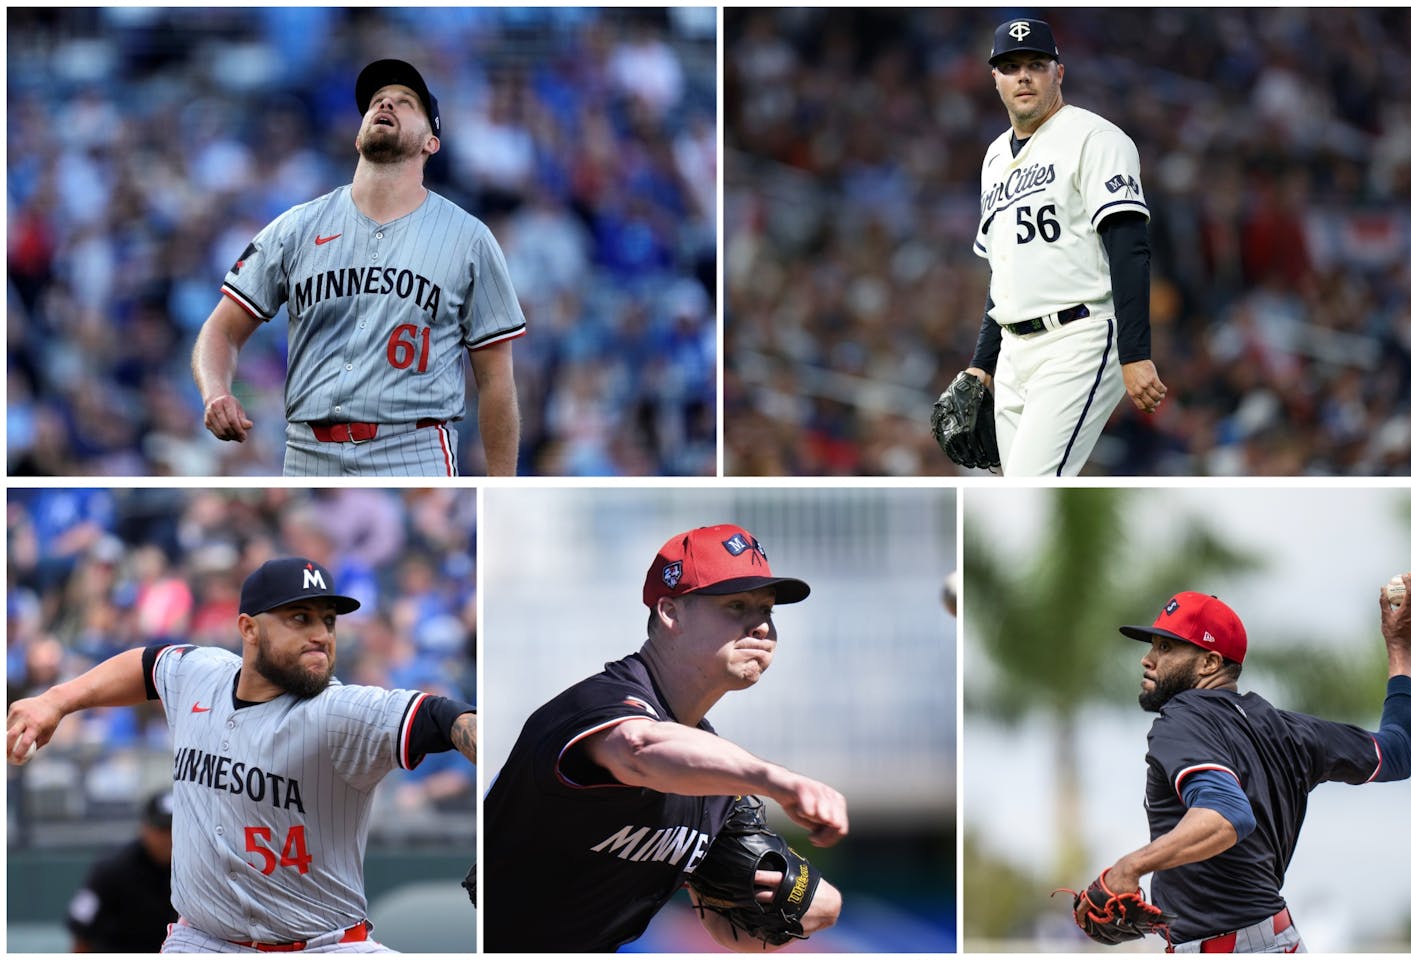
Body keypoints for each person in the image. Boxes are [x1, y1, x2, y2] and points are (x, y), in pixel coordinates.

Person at [7, 556, 478, 953]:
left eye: (328, 620)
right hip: (201, 941)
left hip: (325, 944)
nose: (321, 634)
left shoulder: (339, 712)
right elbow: (147, 665)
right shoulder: (203, 673)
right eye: (300, 618)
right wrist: (56, 700)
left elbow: (443, 717)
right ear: (248, 629)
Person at [484, 524, 847, 951]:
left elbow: (738, 930)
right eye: (736, 605)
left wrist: (805, 900)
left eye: (767, 609)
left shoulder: (713, 785)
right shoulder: (601, 702)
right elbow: (640, 749)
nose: (762, 626)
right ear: (670, 613)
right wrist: (775, 780)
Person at [192, 59, 526, 477]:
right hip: (307, 451)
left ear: (431, 142)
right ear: (358, 135)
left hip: (413, 450)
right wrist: (215, 392)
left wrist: (501, 487)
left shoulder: (469, 238)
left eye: (406, 103)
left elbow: (496, 380)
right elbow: (220, 329)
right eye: (377, 101)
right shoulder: (296, 227)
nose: (386, 103)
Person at [1081, 577, 1411, 952]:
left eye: (1166, 647)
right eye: (1153, 646)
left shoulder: (1182, 718)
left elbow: (1226, 814)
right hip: (1281, 940)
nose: (1148, 659)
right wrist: (1400, 648)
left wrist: (1128, 867)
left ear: (1210, 662)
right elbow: (1398, 753)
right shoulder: (1289, 730)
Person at [956, 19, 1167, 476]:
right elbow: (1004, 271)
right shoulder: (994, 158)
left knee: (1032, 485)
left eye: (1036, 63)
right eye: (1010, 67)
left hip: (1080, 335)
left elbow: (1130, 249)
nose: (1024, 76)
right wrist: (981, 365)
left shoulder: (1097, 139)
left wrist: (1135, 353)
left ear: (1059, 73)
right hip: (1013, 351)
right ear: (996, 79)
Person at [67, 789, 180, 952]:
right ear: (144, 828)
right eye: (161, 830)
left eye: (174, 829)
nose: (168, 838)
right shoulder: (113, 869)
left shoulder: (193, 871)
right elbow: (81, 931)